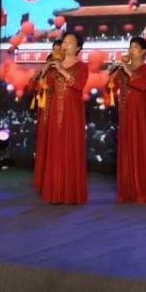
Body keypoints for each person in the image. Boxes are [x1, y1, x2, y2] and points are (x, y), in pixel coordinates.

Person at [110, 36, 146, 204]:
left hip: (139, 114)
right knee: (126, 148)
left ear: (143, 51)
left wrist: (127, 69)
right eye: (130, 47)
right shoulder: (123, 69)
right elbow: (111, 87)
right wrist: (113, 72)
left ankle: (142, 189)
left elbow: (141, 85)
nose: (131, 50)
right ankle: (127, 189)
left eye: (135, 47)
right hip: (125, 112)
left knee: (139, 147)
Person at [40, 33, 89, 204]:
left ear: (78, 48)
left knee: (71, 148)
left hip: (73, 114)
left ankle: (71, 193)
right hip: (55, 112)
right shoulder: (54, 65)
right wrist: (45, 72)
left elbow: (79, 85)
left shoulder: (82, 66)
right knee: (55, 149)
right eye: (64, 41)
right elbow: (47, 86)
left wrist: (62, 70)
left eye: (70, 42)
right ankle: (56, 192)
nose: (66, 44)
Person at [29, 40, 63, 190]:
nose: (56, 52)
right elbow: (33, 87)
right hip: (45, 111)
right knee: (44, 142)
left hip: (60, 110)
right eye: (54, 49)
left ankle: (58, 179)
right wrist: (41, 74)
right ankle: (43, 180)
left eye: (60, 49)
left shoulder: (67, 67)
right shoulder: (46, 67)